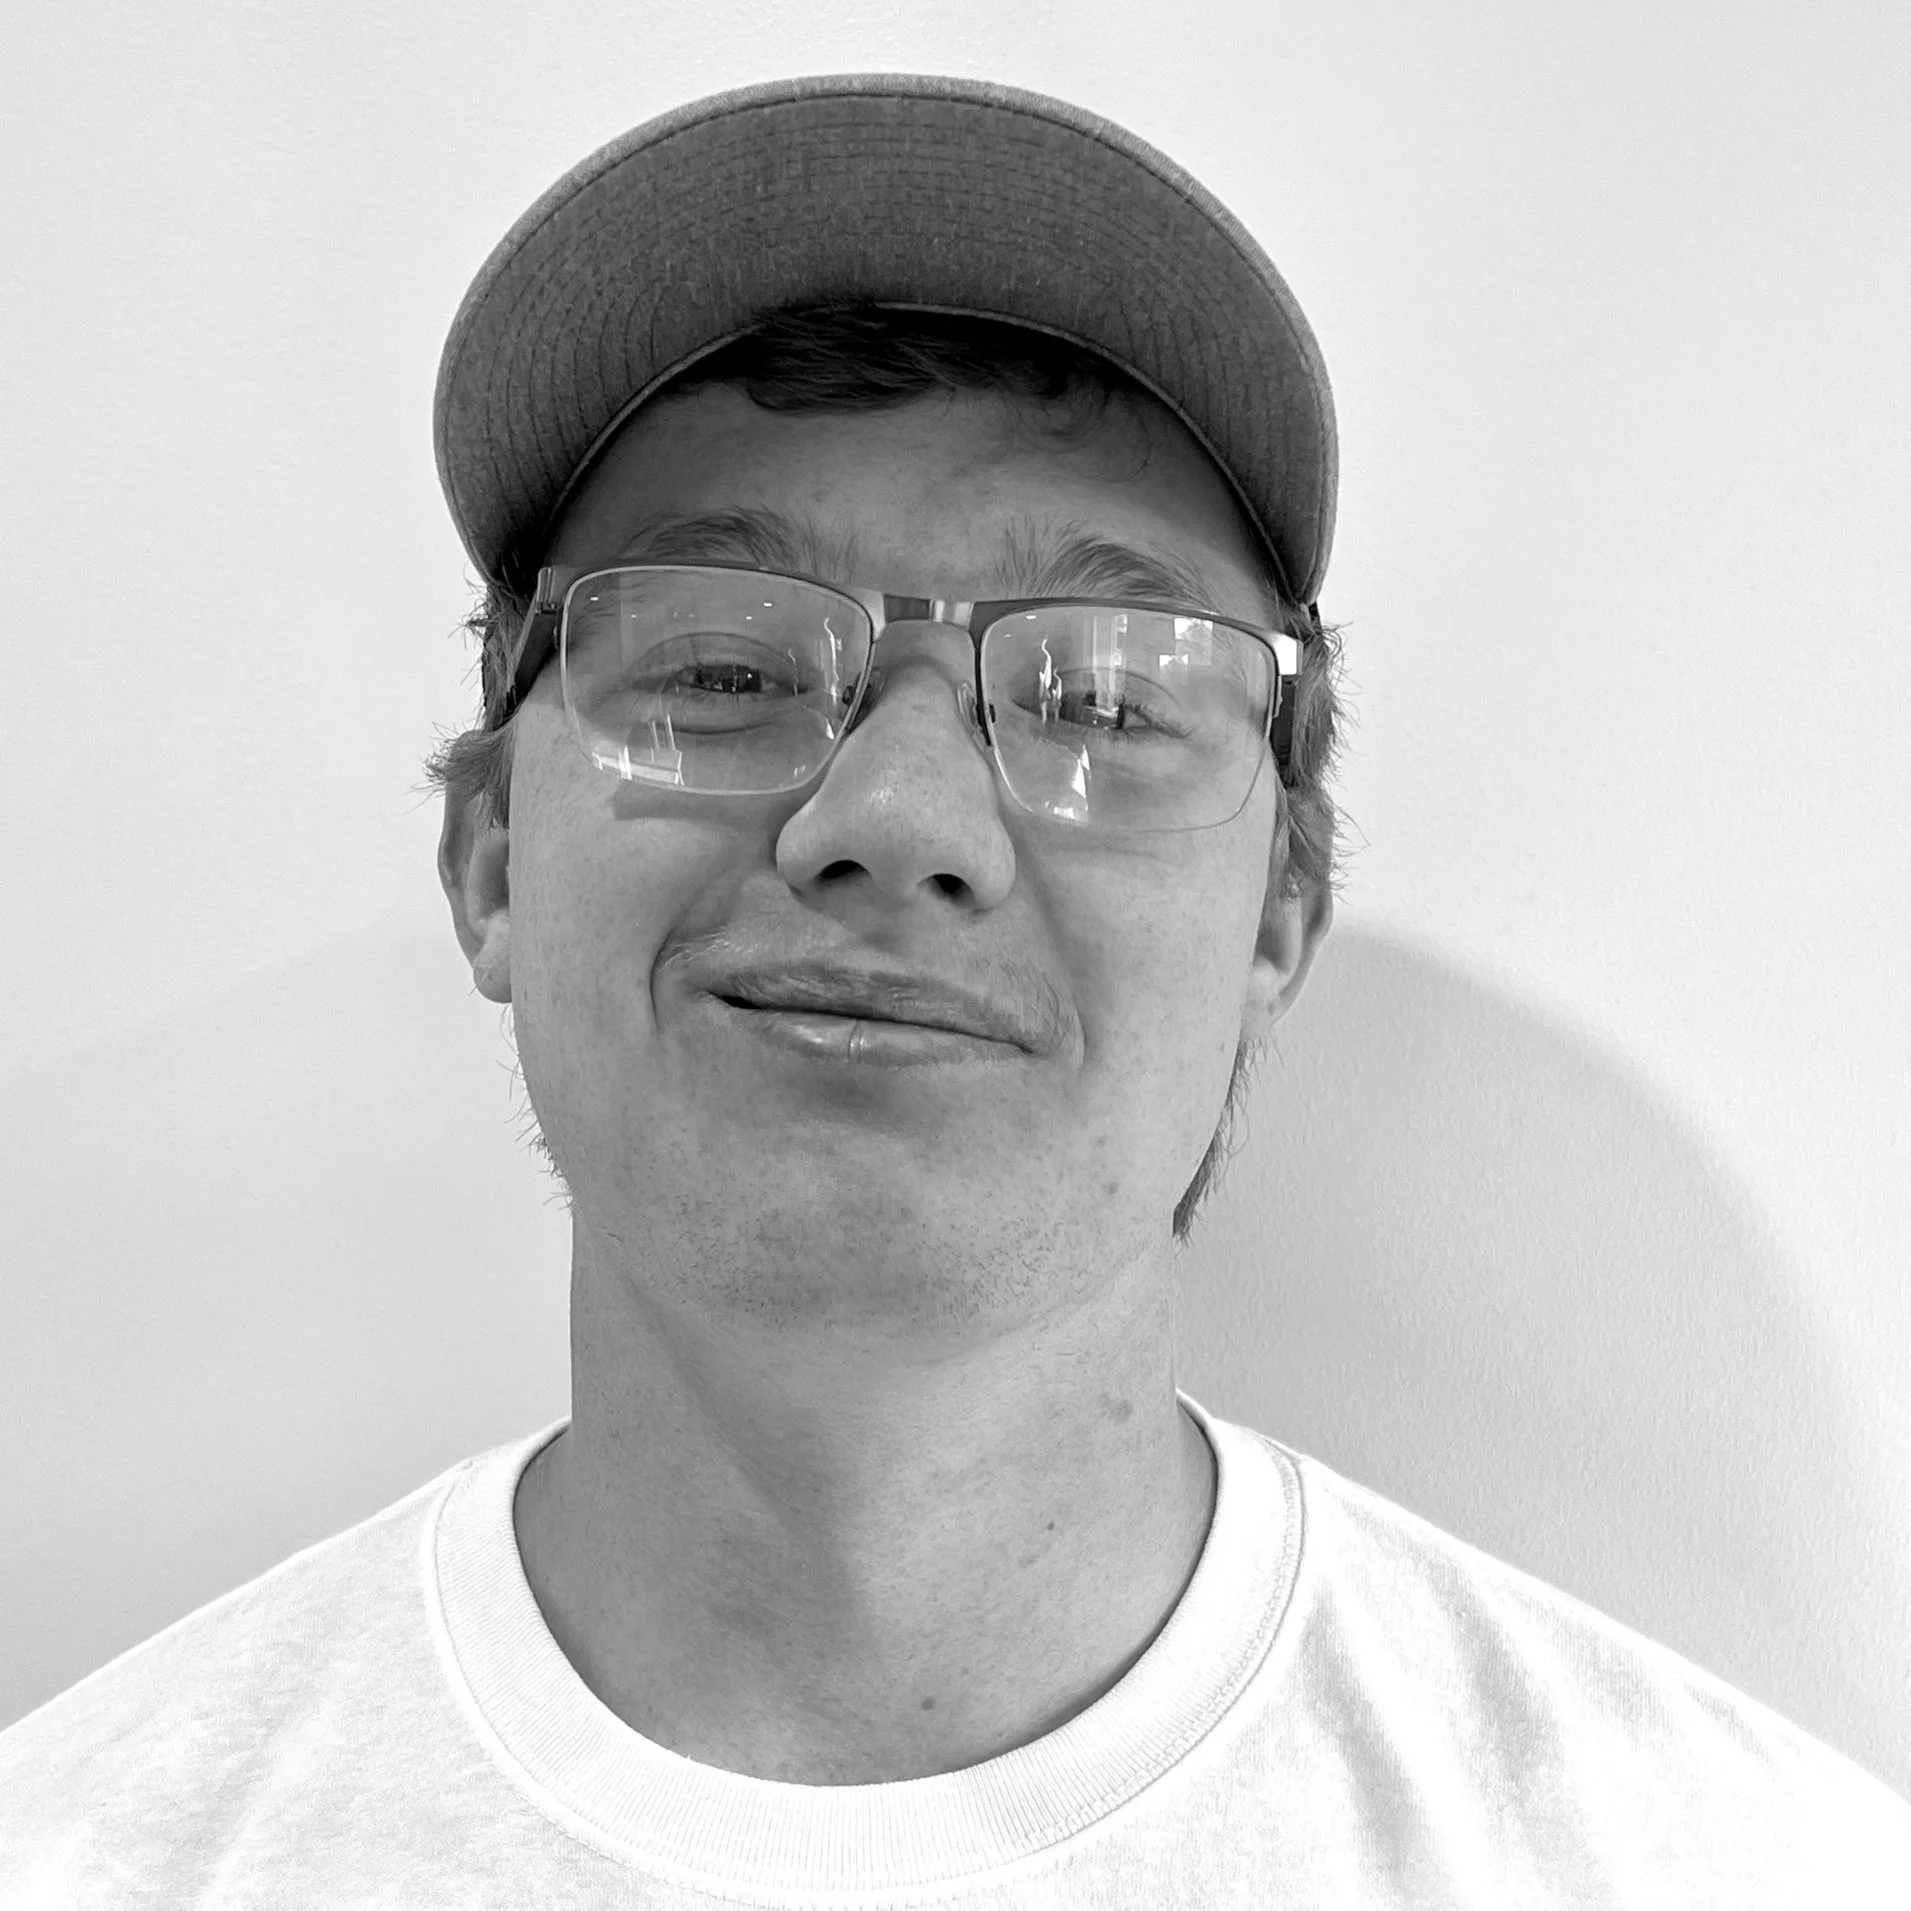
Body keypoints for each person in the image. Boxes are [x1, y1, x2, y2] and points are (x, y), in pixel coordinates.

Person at [2, 70, 1905, 1908]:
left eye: (1104, 699)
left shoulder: (1742, 1871)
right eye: (721, 670)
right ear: (491, 860)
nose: (897, 818)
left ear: (1277, 919)